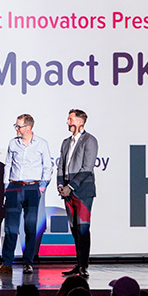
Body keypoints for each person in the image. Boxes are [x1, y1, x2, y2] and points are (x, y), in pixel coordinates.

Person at [0, 114, 52, 275]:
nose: (16, 129)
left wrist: (42, 187)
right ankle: (7, 263)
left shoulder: (41, 144)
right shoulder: (14, 143)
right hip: (14, 187)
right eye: (16, 126)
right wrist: (7, 186)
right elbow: (9, 165)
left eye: (19, 126)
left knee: (30, 226)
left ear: (29, 128)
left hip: (33, 187)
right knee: (10, 227)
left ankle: (28, 262)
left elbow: (47, 166)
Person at [57, 109, 99, 277]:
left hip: (82, 190)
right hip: (67, 190)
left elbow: (87, 167)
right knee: (74, 228)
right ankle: (78, 263)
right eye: (68, 119)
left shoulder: (90, 140)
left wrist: (71, 186)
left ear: (80, 122)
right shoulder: (66, 142)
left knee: (83, 228)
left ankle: (83, 266)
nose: (68, 122)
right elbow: (61, 165)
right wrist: (60, 184)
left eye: (70, 119)